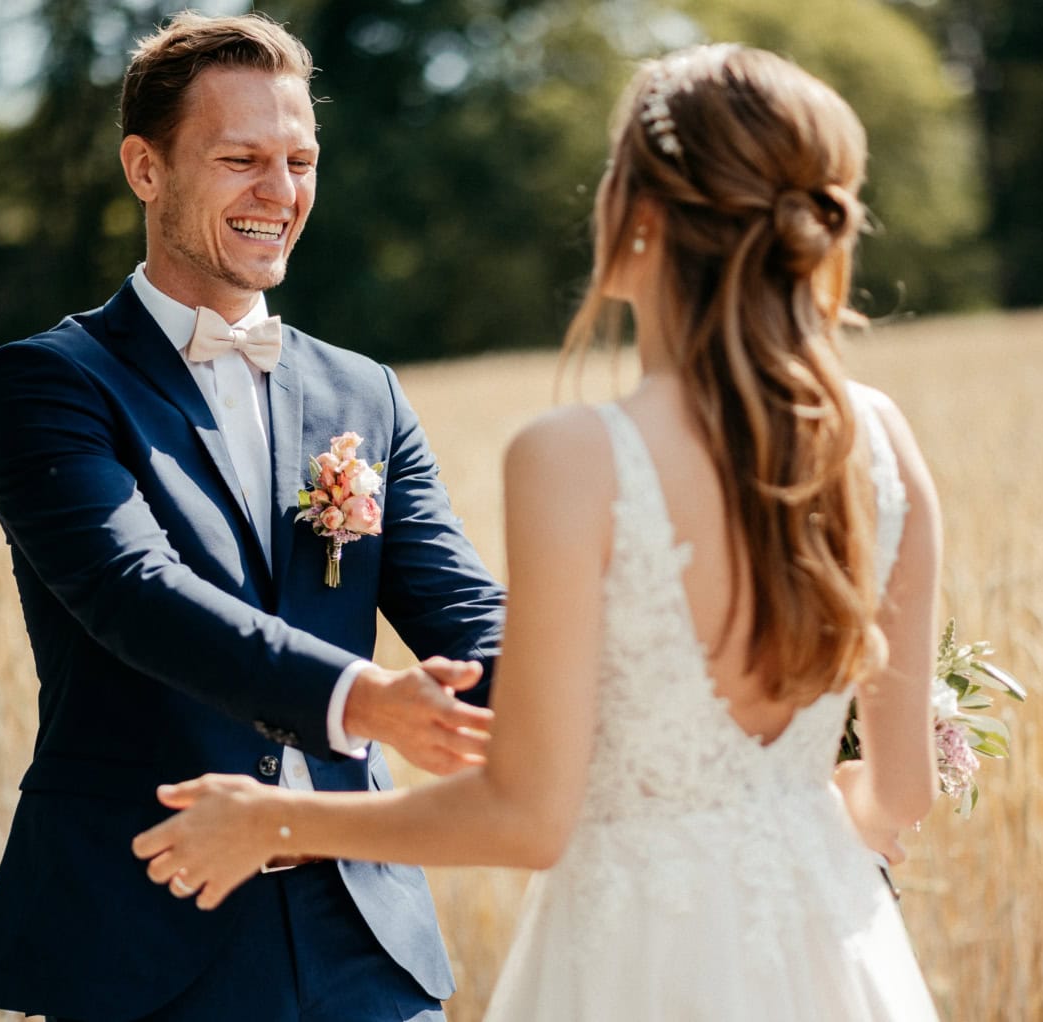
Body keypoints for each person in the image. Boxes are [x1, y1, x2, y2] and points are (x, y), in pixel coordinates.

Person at [133, 44, 944, 1020]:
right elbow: (901, 794)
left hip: (634, 955)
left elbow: (529, 817)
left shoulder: (576, 455)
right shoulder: (883, 437)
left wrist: (274, 820)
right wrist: (780, 823)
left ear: (635, 216)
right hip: (831, 945)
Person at [0, 12, 506, 1022]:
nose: (282, 191)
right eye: (242, 158)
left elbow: (468, 613)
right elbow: (139, 594)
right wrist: (368, 699)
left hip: (365, 931)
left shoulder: (365, 394)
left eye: (300, 159)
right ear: (145, 169)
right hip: (147, 925)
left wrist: (650, 703)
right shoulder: (48, 382)